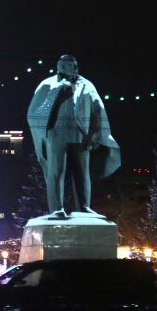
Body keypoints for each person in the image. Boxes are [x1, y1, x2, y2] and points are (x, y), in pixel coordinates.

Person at [27, 55, 120, 218]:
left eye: (76, 65)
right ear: (62, 67)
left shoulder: (87, 85)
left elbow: (97, 111)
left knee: (83, 173)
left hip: (81, 135)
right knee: (56, 172)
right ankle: (56, 208)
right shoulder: (48, 85)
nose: (75, 68)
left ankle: (84, 207)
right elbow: (34, 113)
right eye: (71, 65)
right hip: (56, 134)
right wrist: (57, 94)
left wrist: (94, 136)